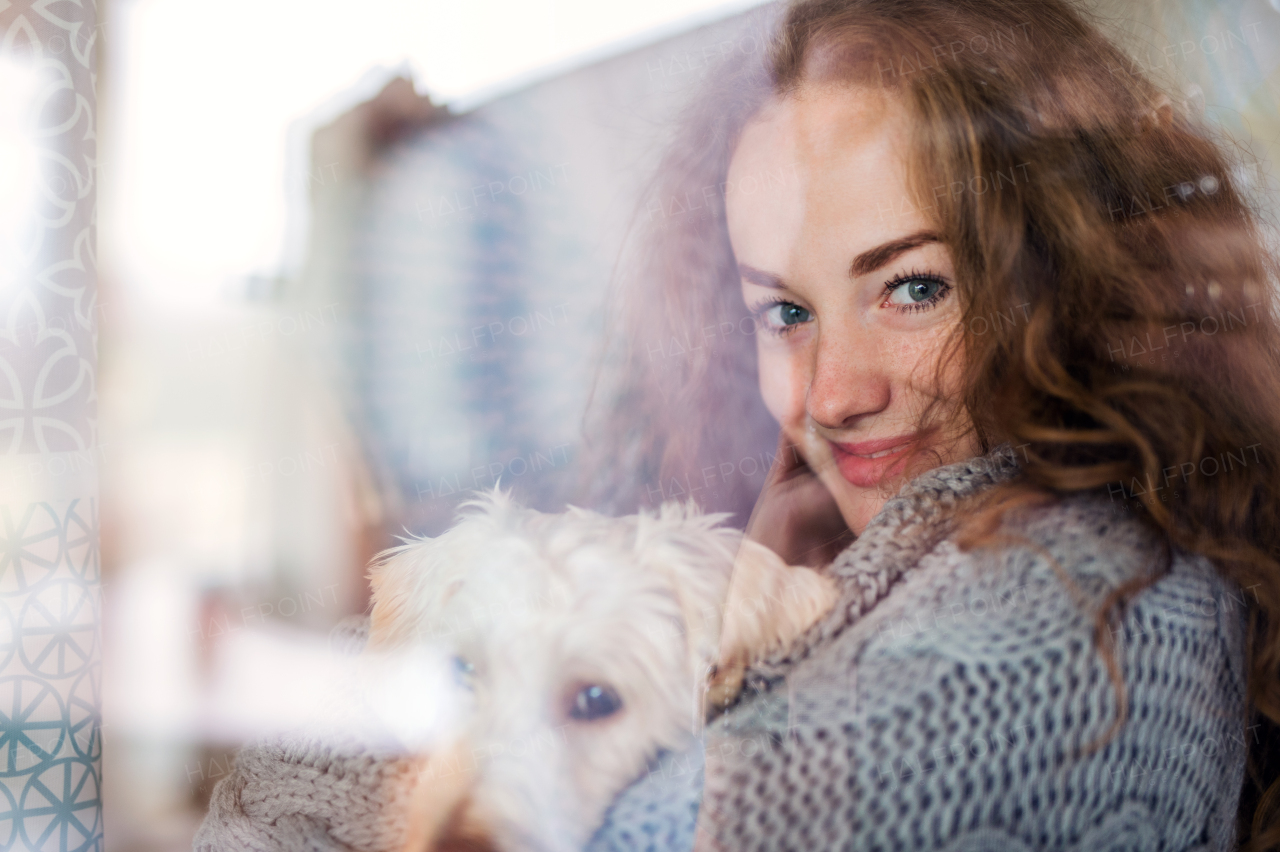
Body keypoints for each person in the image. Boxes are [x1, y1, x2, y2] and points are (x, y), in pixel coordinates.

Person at [581, 0, 1280, 848]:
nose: (833, 395)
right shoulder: (1113, 543)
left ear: (1080, 279)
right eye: (784, 313)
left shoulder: (1065, 604)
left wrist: (744, 667)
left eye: (913, 288)